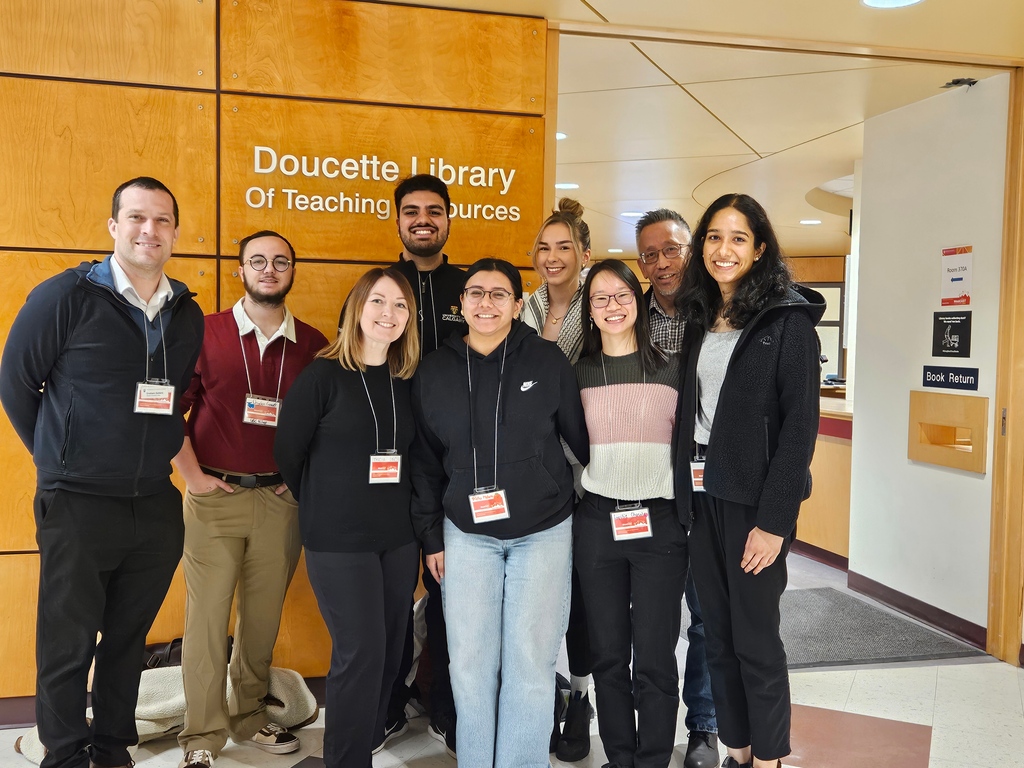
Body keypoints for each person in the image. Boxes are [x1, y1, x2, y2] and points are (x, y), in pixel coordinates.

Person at [0, 177, 204, 768]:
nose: (150, 230)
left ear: (174, 232)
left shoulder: (184, 312)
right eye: (137, 218)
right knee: (66, 644)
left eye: (163, 220)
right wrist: (57, 459)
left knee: (127, 641)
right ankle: (63, 755)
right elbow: (17, 384)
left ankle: (113, 748)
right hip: (77, 502)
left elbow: (174, 399)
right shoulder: (66, 296)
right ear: (114, 227)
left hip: (153, 504)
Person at [411, 258, 589, 768]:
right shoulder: (435, 369)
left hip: (543, 531)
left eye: (498, 294)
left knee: (529, 664)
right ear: (460, 304)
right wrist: (431, 538)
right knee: (468, 663)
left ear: (517, 302)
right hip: (465, 533)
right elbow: (424, 463)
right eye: (475, 293)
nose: (485, 303)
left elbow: (579, 442)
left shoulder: (547, 361)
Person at [674, 194, 823, 768]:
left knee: (756, 640)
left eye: (738, 238)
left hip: (753, 503)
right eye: (714, 236)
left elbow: (797, 433)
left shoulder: (787, 322)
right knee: (715, 637)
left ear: (760, 248)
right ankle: (737, 752)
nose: (723, 249)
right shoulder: (699, 316)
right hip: (702, 496)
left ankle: (770, 759)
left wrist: (774, 522)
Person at [173, 231, 329, 768]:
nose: (269, 269)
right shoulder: (206, 331)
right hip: (214, 496)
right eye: (257, 261)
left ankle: (248, 715)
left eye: (280, 261)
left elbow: (327, 423)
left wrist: (299, 477)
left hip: (280, 502)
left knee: (261, 621)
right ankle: (202, 736)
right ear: (240, 269)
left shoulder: (311, 343)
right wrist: (191, 476)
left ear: (292, 271)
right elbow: (170, 408)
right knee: (208, 620)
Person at [275, 267, 420, 768]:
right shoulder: (323, 375)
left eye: (400, 305)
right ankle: (344, 760)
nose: (389, 314)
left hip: (398, 541)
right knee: (359, 653)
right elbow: (288, 452)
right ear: (357, 308)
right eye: (379, 302)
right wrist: (323, 501)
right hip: (338, 541)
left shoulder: (408, 380)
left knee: (389, 654)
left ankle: (359, 747)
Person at [342, 174, 464, 754]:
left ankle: (442, 702)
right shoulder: (378, 288)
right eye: (411, 211)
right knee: (389, 599)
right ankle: (387, 703)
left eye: (433, 211)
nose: (423, 219)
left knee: (445, 591)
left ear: (447, 220)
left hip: (452, 464)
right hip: (383, 463)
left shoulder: (470, 289)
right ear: (397, 221)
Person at [573, 258, 686, 768]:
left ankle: (654, 758)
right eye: (600, 298)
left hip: (660, 524)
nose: (612, 306)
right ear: (588, 310)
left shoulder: (673, 365)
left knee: (657, 656)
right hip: (597, 523)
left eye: (622, 295)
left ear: (638, 302)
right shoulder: (575, 372)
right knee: (609, 655)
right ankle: (620, 756)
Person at [635, 209, 719, 768]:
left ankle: (705, 725)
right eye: (650, 255)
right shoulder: (622, 312)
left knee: (708, 611)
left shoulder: (718, 313)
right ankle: (653, 725)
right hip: (644, 488)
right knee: (653, 616)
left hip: (706, 485)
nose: (662, 263)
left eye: (672, 250)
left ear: (692, 249)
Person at [522, 198, 594, 761]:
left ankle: (581, 695)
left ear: (583, 253)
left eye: (563, 246)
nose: (552, 256)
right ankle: (541, 693)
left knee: (585, 595)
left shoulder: (605, 302)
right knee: (541, 595)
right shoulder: (522, 307)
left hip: (588, 465)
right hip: (531, 468)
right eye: (543, 248)